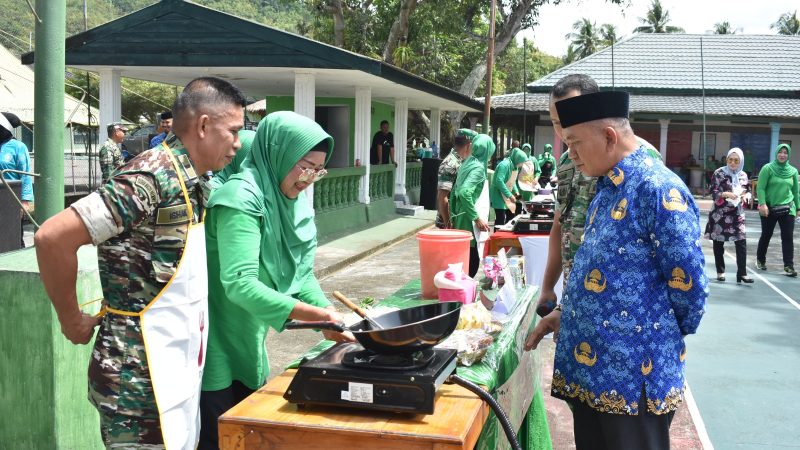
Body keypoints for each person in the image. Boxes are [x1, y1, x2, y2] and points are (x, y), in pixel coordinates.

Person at [35, 76, 246, 449]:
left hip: (173, 365)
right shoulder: (150, 177)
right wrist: (71, 320)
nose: (237, 144)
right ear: (203, 126)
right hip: (135, 376)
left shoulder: (192, 179)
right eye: (233, 131)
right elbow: (53, 237)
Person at [525, 90, 707, 450]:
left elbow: (690, 293)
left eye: (575, 143)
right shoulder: (607, 186)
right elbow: (606, 269)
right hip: (594, 372)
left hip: (632, 378)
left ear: (609, 136)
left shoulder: (657, 189)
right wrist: (571, 313)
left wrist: (645, 338)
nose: (570, 154)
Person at [199, 111, 353, 449]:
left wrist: (327, 312)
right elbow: (240, 284)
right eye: (304, 166)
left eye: (318, 169)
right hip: (214, 346)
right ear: (277, 153)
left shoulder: (292, 204)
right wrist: (315, 316)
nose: (309, 178)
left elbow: (300, 274)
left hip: (250, 343)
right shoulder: (239, 199)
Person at [534, 74, 663, 318]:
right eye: (555, 122)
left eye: (567, 118)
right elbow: (560, 227)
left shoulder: (642, 163)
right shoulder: (567, 162)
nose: (563, 130)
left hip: (621, 311)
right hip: (576, 298)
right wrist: (548, 287)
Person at [704, 148, 754, 283]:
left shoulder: (743, 175)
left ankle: (742, 273)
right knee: (718, 242)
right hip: (720, 213)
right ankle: (720, 271)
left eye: (736, 160)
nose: (733, 163)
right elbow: (713, 191)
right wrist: (726, 194)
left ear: (741, 161)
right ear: (726, 160)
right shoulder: (719, 173)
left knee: (741, 241)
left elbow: (747, 190)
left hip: (737, 213)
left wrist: (746, 196)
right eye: (730, 160)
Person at [450, 134, 493, 277]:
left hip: (460, 217)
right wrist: (476, 218)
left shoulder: (467, 163)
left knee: (462, 264)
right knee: (470, 265)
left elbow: (453, 192)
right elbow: (463, 192)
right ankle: (463, 297)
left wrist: (452, 215)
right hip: (469, 221)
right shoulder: (478, 168)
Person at [755, 143, 799, 277]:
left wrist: (798, 207)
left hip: (788, 208)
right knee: (766, 235)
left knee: (787, 237)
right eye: (781, 152)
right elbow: (761, 187)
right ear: (776, 153)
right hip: (769, 207)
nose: (783, 155)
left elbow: (796, 192)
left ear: (789, 155)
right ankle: (761, 260)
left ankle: (788, 266)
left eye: (785, 152)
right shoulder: (768, 168)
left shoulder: (793, 171)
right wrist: (762, 204)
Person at [1, 112, 33, 248]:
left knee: (13, 235)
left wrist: (24, 201)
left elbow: (25, 175)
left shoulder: (18, 147)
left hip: (11, 197)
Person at [435, 129, 475, 229]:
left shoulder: (463, 160)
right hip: (451, 221)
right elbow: (442, 197)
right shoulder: (451, 163)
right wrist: (448, 223)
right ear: (469, 145)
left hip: (459, 218)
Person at [490, 147, 527, 226]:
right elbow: (499, 181)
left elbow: (512, 181)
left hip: (506, 195)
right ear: (518, 159)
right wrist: (509, 195)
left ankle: (506, 236)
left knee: (511, 216)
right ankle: (497, 237)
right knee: (500, 219)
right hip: (499, 195)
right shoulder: (505, 165)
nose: (522, 164)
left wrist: (516, 192)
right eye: (522, 162)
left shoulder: (514, 166)